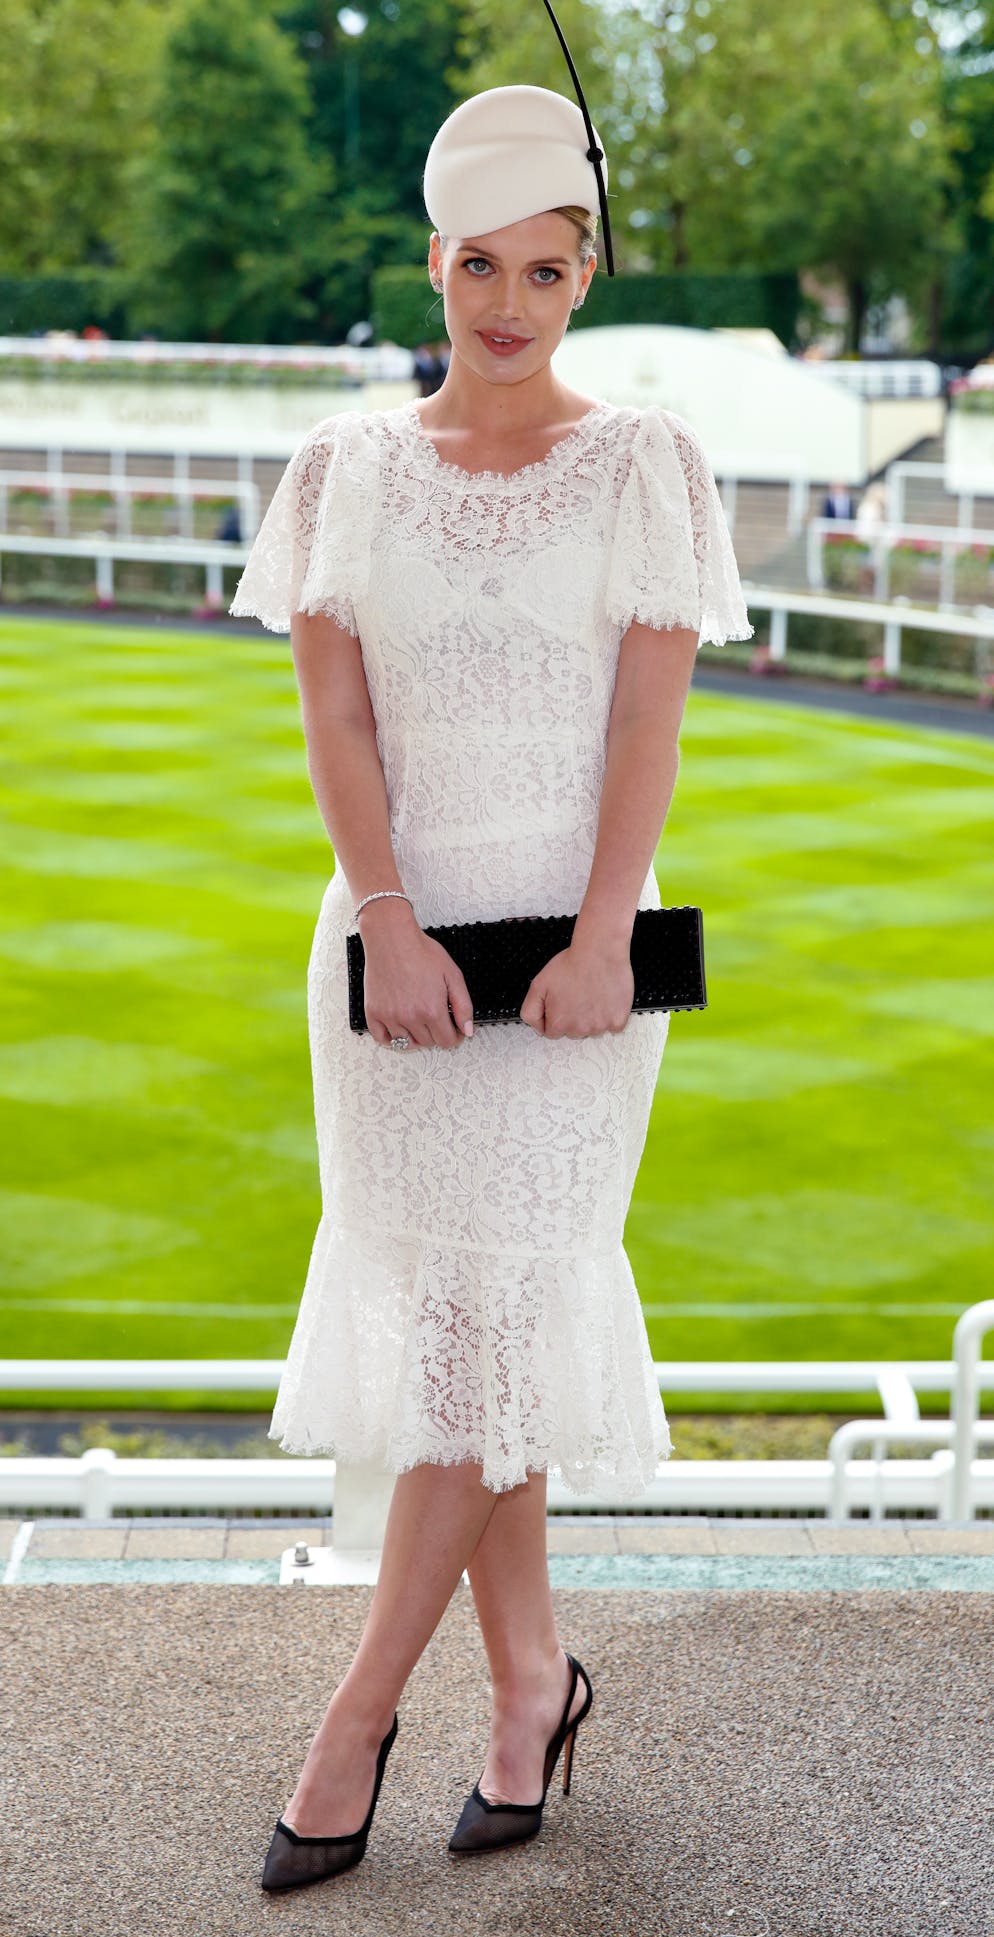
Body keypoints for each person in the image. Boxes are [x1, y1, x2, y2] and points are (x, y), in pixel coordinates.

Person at [229, 76, 752, 1895]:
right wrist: (382, 915)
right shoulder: (342, 471)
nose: (506, 303)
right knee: (464, 1324)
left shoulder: (645, 464)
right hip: (389, 953)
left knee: (500, 1309)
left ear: (586, 274)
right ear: (430, 265)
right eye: (475, 265)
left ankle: (352, 1713)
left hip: (576, 966)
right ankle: (530, 1686)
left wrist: (612, 928)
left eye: (543, 269)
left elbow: (644, 729)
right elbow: (335, 713)